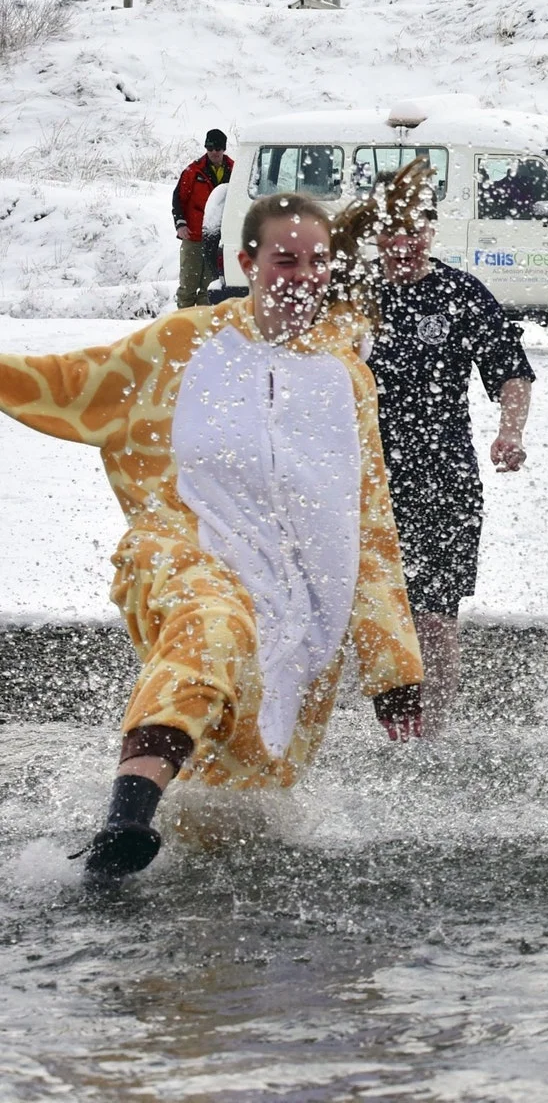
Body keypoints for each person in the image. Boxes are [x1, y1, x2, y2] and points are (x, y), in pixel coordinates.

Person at [0, 194, 424, 882]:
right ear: (247, 261)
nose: (303, 274)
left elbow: (369, 522)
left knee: (240, 807)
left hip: (301, 598)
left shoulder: (346, 380)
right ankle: (125, 819)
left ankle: (175, 875)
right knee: (212, 627)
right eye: (285, 259)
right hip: (180, 551)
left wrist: (392, 667)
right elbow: (66, 382)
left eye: (317, 262)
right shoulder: (181, 342)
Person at [342, 161, 535, 736]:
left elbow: (511, 374)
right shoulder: (353, 293)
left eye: (414, 231)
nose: (402, 244)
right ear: (375, 234)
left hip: (443, 475)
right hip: (364, 479)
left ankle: (435, 732)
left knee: (435, 611)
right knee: (367, 606)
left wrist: (511, 431)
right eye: (390, 232)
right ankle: (366, 727)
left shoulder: (459, 293)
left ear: (431, 231)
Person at [172, 128, 233, 308]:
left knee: (210, 288)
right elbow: (178, 199)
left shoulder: (235, 169)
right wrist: (180, 224)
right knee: (188, 287)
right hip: (193, 238)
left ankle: (202, 326)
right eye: (210, 147)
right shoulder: (192, 171)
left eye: (218, 148)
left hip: (217, 240)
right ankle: (183, 326)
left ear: (224, 149)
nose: (214, 152)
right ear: (206, 148)